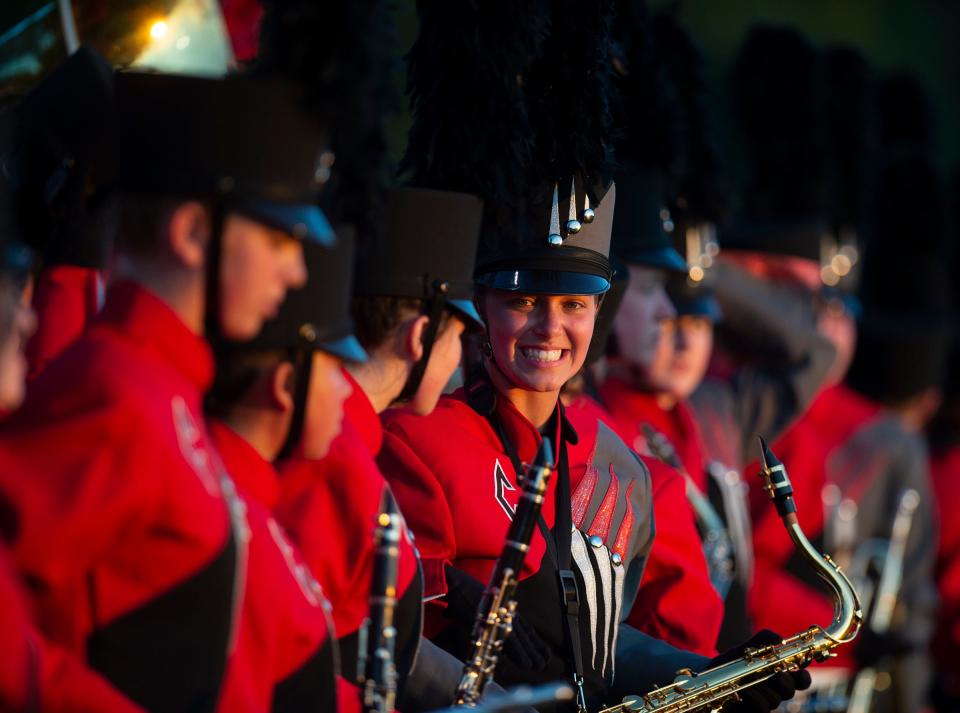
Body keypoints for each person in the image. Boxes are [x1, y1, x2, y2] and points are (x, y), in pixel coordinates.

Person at [379, 3, 808, 710]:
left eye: (575, 304)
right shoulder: (419, 440)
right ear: (481, 304)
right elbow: (386, 621)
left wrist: (713, 678)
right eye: (524, 299)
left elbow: (605, 655)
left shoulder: (625, 472)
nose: (551, 326)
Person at [0, 63, 335, 711]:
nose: (296, 271)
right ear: (190, 233)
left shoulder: (163, 391)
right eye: (276, 236)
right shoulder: (116, 391)